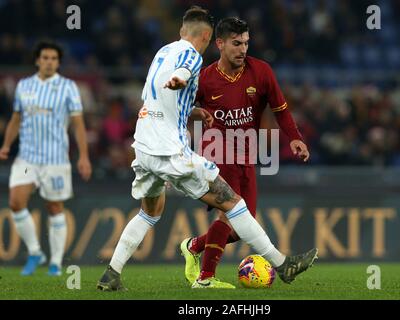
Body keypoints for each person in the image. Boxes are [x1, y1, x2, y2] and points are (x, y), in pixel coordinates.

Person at [97, 6, 317, 291]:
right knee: (233, 204)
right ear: (208, 37)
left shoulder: (162, 53)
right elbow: (184, 72)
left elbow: (154, 98)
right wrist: (181, 79)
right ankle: (281, 265)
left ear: (181, 30)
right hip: (170, 150)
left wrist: (194, 111)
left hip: (144, 145)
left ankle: (111, 274)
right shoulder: (191, 55)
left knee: (149, 213)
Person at [180, 17, 312, 287]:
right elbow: (180, 109)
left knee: (242, 226)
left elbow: (280, 109)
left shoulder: (261, 72)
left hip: (246, 156)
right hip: (216, 153)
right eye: (236, 43)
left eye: (246, 43)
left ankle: (194, 245)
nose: (242, 49)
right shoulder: (205, 79)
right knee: (229, 215)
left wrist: (295, 138)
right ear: (220, 44)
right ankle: (205, 278)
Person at [0, 40, 92, 276]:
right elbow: (16, 119)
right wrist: (7, 145)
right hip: (28, 157)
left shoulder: (68, 87)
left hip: (56, 158)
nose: (49, 62)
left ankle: (56, 262)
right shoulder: (24, 86)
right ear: (37, 60)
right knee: (15, 202)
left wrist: (83, 156)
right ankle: (34, 252)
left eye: (54, 58)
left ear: (58, 62)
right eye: (45, 58)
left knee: (54, 207)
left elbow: (78, 124)